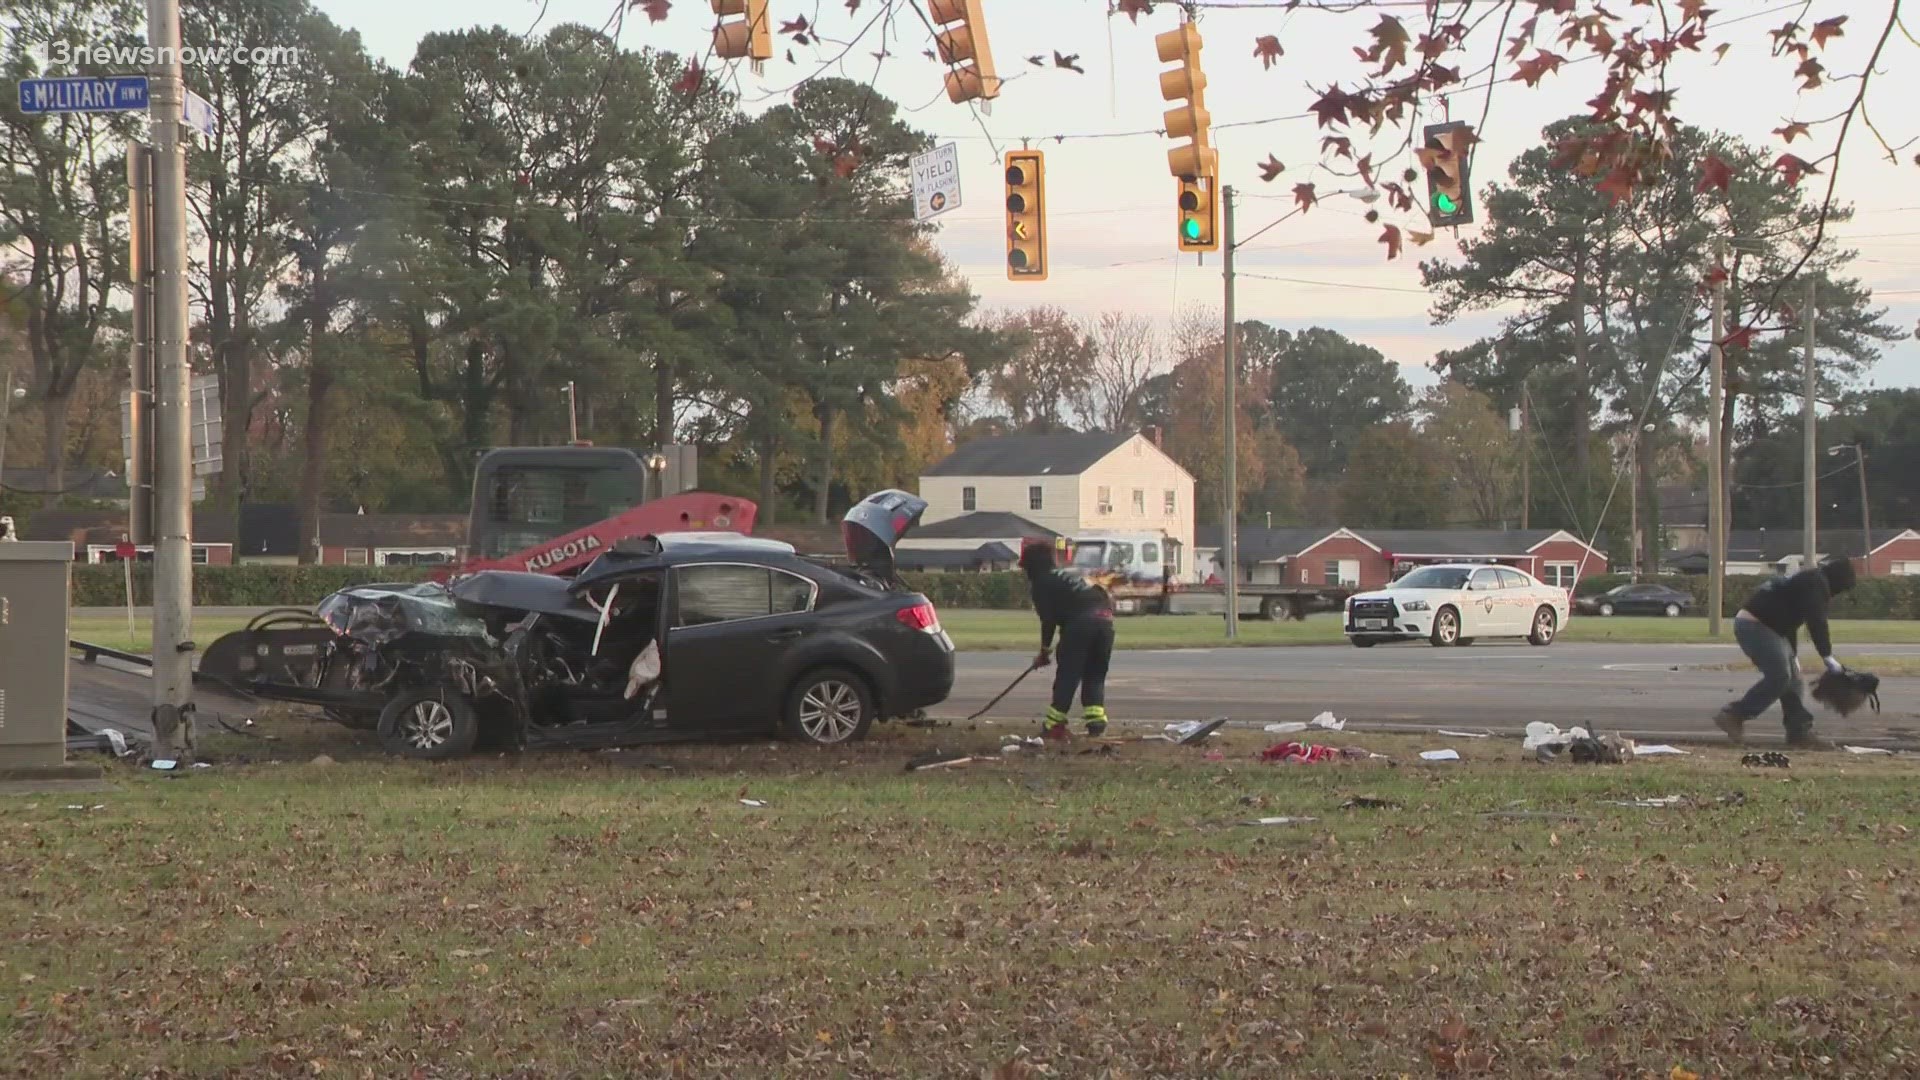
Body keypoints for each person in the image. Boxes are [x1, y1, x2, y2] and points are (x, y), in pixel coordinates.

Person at [1714, 556, 1857, 748]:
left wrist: (1793, 655)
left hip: (1769, 627)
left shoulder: (1810, 580)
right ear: (1839, 582)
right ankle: (1735, 714)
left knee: (1794, 680)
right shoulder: (1817, 584)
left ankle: (1798, 733)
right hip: (1756, 625)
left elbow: (1789, 622)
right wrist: (1827, 656)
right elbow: (1816, 621)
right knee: (1780, 677)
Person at [1020, 537, 1115, 741]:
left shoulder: (1041, 583)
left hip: (1081, 625)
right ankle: (1096, 724)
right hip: (1105, 621)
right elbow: (1100, 593)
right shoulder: (1069, 575)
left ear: (1031, 567)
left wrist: (1044, 650)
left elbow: (1048, 620)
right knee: (1094, 675)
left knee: (1068, 676)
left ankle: (1054, 725)